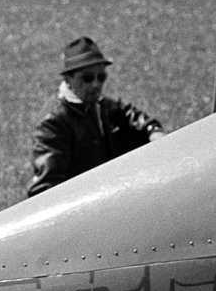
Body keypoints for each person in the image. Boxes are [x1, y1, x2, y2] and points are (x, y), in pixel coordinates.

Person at [30, 38, 162, 196]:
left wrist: (153, 130)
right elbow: (46, 189)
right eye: (87, 78)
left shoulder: (97, 104)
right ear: (68, 80)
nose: (96, 84)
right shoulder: (52, 123)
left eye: (101, 77)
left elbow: (128, 114)